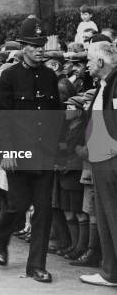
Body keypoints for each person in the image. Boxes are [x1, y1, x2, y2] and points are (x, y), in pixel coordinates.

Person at [0, 16, 64, 283]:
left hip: (44, 155)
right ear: (22, 46)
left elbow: (55, 115)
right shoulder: (9, 76)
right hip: (18, 155)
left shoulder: (49, 76)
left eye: (41, 44)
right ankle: (1, 238)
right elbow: (1, 117)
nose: (38, 49)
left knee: (43, 210)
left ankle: (36, 266)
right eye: (33, 45)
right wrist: (6, 151)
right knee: (18, 206)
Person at [79, 42, 117, 286]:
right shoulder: (105, 84)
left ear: (101, 62)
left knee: (113, 217)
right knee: (105, 217)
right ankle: (110, 272)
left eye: (90, 60)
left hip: (112, 160)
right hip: (103, 160)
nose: (87, 65)